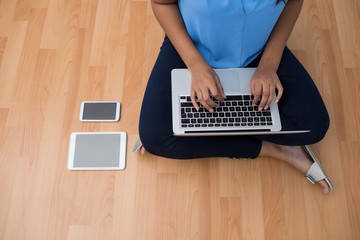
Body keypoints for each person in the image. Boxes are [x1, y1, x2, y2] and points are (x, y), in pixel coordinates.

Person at [138, 0, 333, 193]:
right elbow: (162, 4)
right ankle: (276, 149)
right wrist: (196, 66)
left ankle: (209, 127)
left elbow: (294, 2)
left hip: (258, 51)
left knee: (314, 127)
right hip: (194, 47)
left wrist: (269, 64)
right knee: (154, 137)